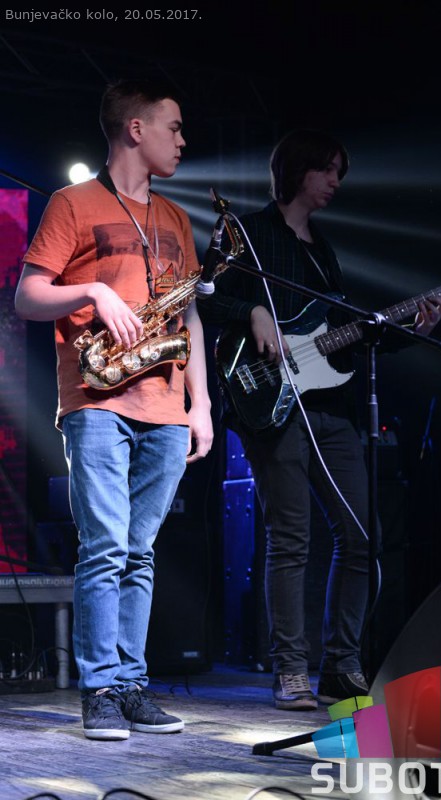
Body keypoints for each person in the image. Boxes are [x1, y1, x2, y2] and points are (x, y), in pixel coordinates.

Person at [198, 129, 441, 710]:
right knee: (290, 539)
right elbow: (202, 295)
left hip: (331, 409)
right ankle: (289, 670)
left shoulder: (323, 251)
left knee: (363, 537)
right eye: (327, 170)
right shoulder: (248, 233)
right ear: (298, 171)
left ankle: (341, 666)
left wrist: (413, 330)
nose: (335, 181)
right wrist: (253, 309)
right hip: (269, 404)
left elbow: (345, 336)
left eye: (339, 172)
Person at [14, 79, 214, 738]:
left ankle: (129, 686)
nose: (182, 140)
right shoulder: (72, 203)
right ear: (136, 129)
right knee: (104, 549)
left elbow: (188, 318)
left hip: (166, 406)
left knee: (140, 552)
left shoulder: (177, 218)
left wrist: (201, 405)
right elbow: (27, 297)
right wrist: (94, 292)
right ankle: (100, 689)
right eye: (173, 127)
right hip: (96, 400)